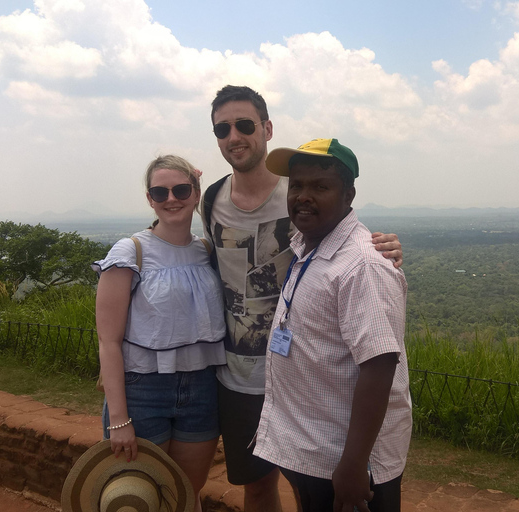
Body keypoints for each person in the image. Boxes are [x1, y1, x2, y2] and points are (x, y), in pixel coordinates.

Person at [203, 85, 404, 512]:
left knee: (314, 487)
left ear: (267, 127)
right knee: (267, 485)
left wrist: (379, 249)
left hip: (314, 396)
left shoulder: (312, 216)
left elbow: (379, 357)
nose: (234, 135)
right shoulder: (216, 202)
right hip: (245, 377)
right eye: (223, 128)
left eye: (244, 124)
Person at [253, 138, 412, 512]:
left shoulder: (361, 265)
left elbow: (379, 365)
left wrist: (354, 466)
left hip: (348, 462)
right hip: (313, 447)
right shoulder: (309, 244)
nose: (303, 196)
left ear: (348, 195)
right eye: (296, 185)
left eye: (320, 186)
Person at [93, 155, 227, 512]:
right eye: (160, 191)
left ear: (196, 193)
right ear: (149, 199)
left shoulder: (207, 251)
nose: (172, 198)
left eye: (182, 189)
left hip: (201, 389)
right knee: (142, 496)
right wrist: (119, 419)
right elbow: (108, 341)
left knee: (185, 493)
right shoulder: (130, 252)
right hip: (142, 390)